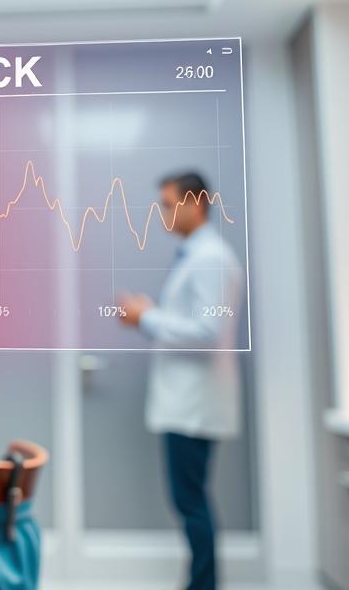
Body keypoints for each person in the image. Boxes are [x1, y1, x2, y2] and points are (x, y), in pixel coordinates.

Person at [118, 171, 243, 590]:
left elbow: (207, 333)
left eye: (169, 205)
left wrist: (147, 317)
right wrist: (150, 315)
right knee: (190, 501)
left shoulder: (210, 259)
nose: (162, 214)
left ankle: (202, 586)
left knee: (191, 502)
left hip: (193, 405)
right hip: (188, 402)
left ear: (197, 203)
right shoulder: (199, 256)